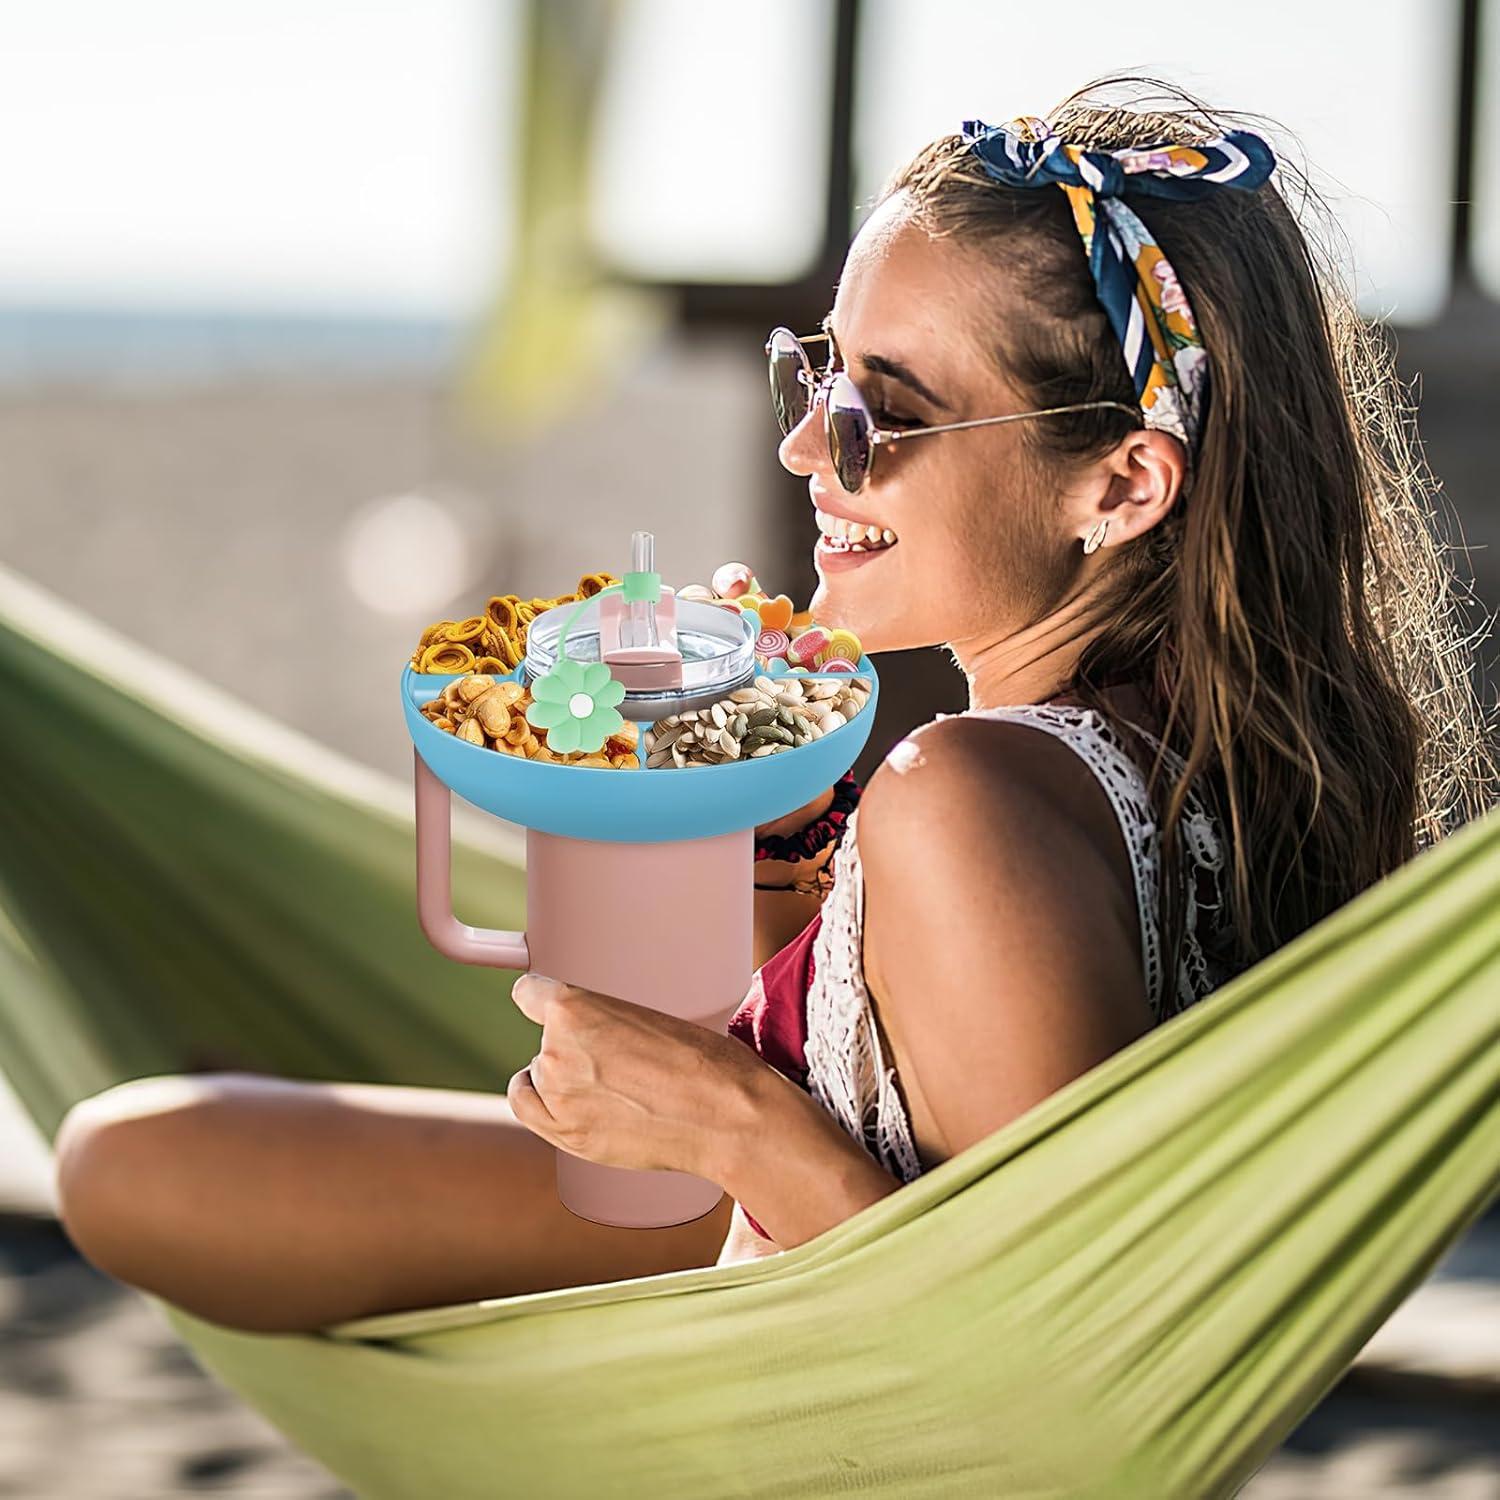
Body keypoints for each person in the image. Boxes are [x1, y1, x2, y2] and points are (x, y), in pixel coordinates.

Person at [50, 77, 1496, 1331]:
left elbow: (1038, 1346)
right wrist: (758, 814)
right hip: (783, 1256)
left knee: (136, 1159)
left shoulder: (974, 792)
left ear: (1121, 482)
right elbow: (904, 1092)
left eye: (883, 410)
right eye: (816, 370)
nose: (809, 443)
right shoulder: (1207, 765)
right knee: (222, 1131)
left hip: (802, 1297)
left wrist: (730, 1128)